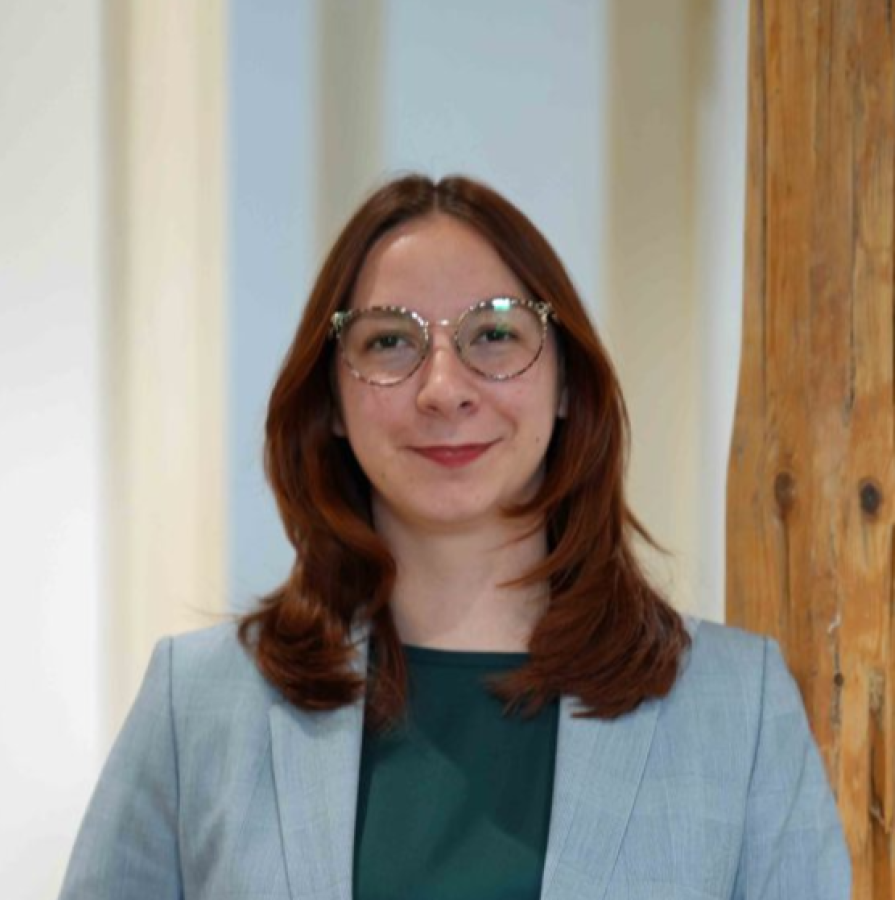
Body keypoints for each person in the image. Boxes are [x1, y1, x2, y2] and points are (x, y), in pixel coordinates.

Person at [59, 174, 851, 899]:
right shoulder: (196, 705)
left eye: (495, 334)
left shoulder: (740, 709)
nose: (443, 390)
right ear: (331, 401)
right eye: (389, 341)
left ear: (566, 382)